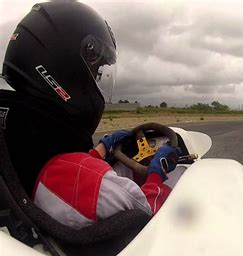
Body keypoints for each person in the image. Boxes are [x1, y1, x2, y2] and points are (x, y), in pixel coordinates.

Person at [0, 1, 176, 229]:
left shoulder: (18, 130)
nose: (95, 80)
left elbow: (55, 164)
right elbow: (145, 215)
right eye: (95, 71)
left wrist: (100, 150)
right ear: (66, 68)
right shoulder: (99, 188)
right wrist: (154, 176)